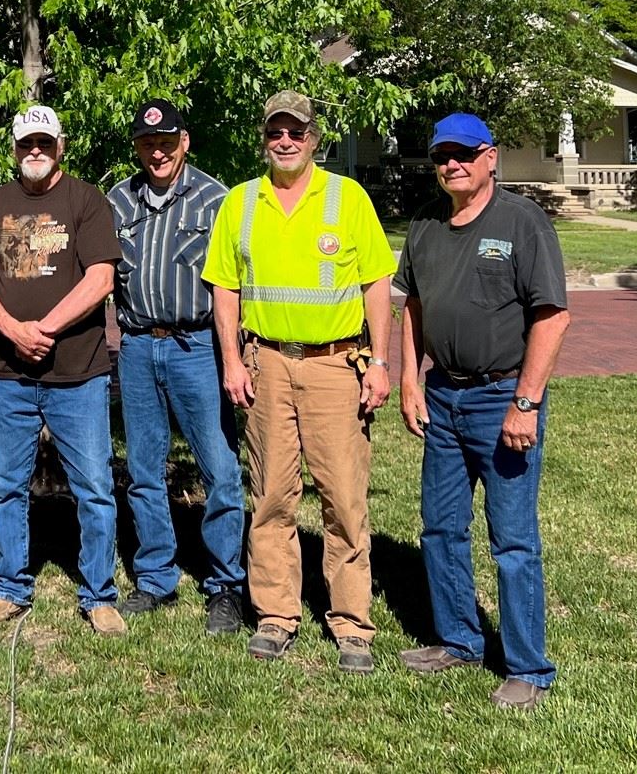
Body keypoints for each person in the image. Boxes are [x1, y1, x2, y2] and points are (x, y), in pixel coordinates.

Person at [202, 89, 395, 672]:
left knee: (342, 497)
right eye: (275, 132)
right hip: (266, 366)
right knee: (271, 497)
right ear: (264, 138)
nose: (285, 142)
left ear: (314, 139)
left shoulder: (347, 197)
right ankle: (276, 615)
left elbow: (378, 283)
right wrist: (233, 361)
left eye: (296, 132)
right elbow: (224, 287)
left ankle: (352, 623)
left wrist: (381, 362)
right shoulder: (240, 203)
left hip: (337, 367)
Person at [396, 112, 572, 710]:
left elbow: (552, 316)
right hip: (442, 395)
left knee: (512, 540)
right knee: (441, 528)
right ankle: (459, 642)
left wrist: (526, 402)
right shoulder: (424, 222)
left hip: (503, 399)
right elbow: (412, 306)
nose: (452, 164)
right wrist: (410, 381)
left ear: (490, 156)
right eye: (443, 154)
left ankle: (528, 667)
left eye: (464, 154)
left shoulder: (523, 223)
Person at [0, 104, 126, 636]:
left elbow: (101, 278)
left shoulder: (86, 201)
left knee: (95, 487)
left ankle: (99, 593)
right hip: (9, 374)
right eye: (25, 143)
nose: (34, 151)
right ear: (14, 148)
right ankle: (10, 586)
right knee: (4, 486)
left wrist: (45, 328)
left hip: (78, 374)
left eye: (44, 142)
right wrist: (14, 331)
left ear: (60, 146)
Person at [104, 98, 244, 633]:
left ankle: (225, 584)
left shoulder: (216, 200)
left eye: (166, 142)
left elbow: (235, 283)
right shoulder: (120, 200)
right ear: (138, 147)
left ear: (184, 141)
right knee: (143, 468)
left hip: (198, 347)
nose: (157, 152)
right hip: (138, 345)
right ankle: (156, 577)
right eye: (147, 143)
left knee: (220, 470)